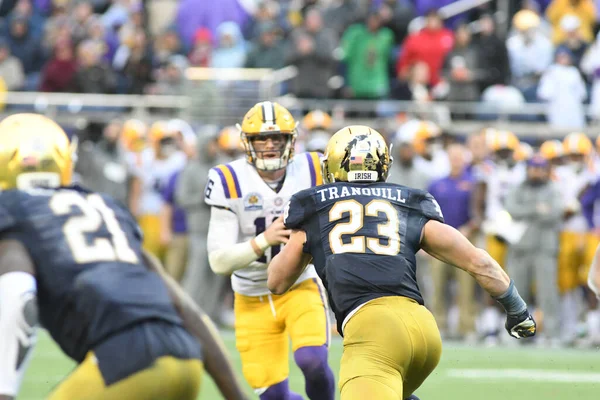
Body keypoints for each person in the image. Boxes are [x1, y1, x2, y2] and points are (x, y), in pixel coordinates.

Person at [267, 125, 536, 400]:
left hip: (373, 331)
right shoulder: (410, 202)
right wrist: (517, 310)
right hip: (424, 332)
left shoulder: (312, 206)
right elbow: (479, 261)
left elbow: (276, 282)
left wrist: (298, 239)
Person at [0, 113, 248, 400]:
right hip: (185, 358)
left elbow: (18, 294)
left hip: (125, 361)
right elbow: (185, 308)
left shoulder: (12, 209)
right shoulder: (104, 207)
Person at [205, 101, 335, 400]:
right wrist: (264, 239)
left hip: (299, 284)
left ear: (291, 140)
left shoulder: (314, 167)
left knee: (312, 361)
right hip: (251, 296)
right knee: (273, 397)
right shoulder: (228, 179)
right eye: (261, 138)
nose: (269, 145)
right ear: (246, 142)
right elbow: (218, 261)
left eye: (277, 138)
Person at [504, 155, 563, 345]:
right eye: (533, 168)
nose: (536, 172)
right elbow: (512, 209)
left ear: (546, 170)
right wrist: (537, 209)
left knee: (548, 293)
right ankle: (521, 335)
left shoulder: (553, 189)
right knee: (518, 294)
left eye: (540, 168)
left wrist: (528, 211)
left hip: (544, 249)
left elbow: (555, 213)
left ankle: (552, 334)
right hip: (520, 248)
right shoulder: (518, 188)